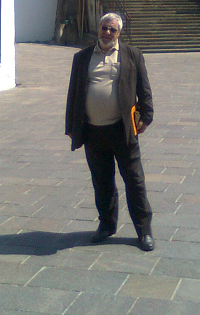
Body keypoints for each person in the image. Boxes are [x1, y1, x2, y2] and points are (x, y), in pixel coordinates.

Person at [65, 13, 155, 251]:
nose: (107, 33)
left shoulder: (131, 55)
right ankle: (106, 225)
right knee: (102, 182)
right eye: (104, 28)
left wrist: (146, 116)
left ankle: (144, 231)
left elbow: (144, 88)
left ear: (119, 33)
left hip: (122, 130)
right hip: (93, 131)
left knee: (135, 182)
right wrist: (72, 126)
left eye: (112, 29)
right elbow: (74, 92)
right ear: (99, 28)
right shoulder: (82, 57)